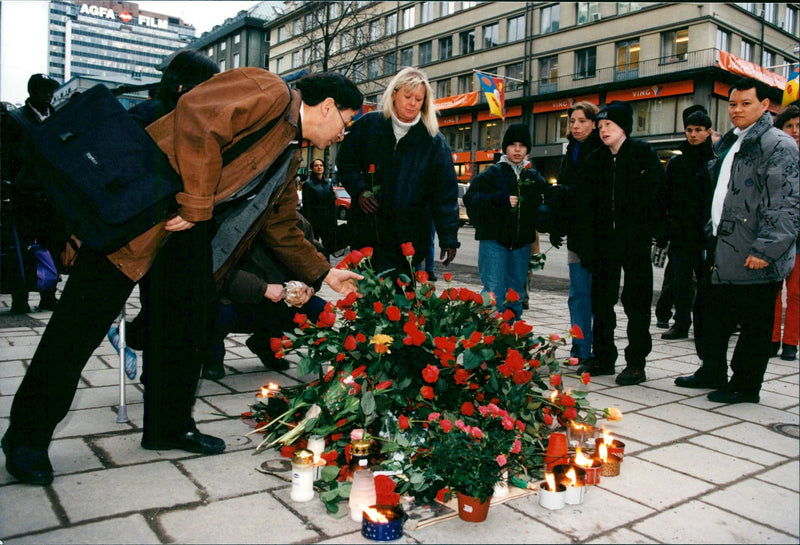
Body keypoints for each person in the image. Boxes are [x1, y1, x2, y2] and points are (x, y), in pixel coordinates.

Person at [2, 68, 364, 486]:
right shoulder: (269, 90)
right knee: (78, 326)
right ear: (328, 107)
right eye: (347, 122)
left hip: (187, 230)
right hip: (139, 214)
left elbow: (280, 226)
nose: (342, 134)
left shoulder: (289, 151)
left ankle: (168, 427)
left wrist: (324, 272)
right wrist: (195, 202)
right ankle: (26, 440)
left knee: (184, 329)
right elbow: (198, 115)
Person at [674, 78, 799, 403]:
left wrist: (767, 249)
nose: (737, 110)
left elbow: (785, 203)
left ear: (765, 106)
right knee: (709, 315)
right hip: (724, 247)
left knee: (755, 325)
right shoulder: (731, 142)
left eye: (746, 103)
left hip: (756, 252)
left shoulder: (779, 145)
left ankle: (746, 386)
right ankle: (712, 370)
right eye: (733, 104)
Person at [108, 50, 221, 379]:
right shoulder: (148, 116)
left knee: (183, 309)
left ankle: (158, 372)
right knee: (162, 308)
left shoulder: (197, 119)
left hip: (190, 228)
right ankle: (155, 377)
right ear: (186, 87)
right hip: (154, 227)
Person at [574, 101, 665, 386]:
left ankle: (636, 363)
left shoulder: (642, 154)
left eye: (608, 125)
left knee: (636, 303)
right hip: (603, 244)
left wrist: (658, 234)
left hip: (634, 241)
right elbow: (584, 205)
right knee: (602, 302)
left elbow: (659, 197)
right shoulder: (595, 159)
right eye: (600, 127)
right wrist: (586, 242)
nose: (603, 131)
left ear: (623, 127)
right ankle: (604, 357)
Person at [337, 66, 459, 275]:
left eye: (418, 99)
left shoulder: (433, 141)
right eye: (408, 96)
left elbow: (445, 193)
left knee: (402, 301)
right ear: (394, 94)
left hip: (408, 240)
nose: (412, 103)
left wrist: (449, 238)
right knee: (365, 299)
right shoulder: (369, 125)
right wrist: (360, 191)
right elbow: (346, 162)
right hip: (368, 232)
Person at [204, 215, 327, 380]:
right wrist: (262, 288)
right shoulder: (232, 218)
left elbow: (316, 256)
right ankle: (212, 357)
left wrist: (309, 285)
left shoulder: (295, 220)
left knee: (321, 312)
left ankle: (265, 344)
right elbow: (217, 271)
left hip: (283, 300)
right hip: (236, 300)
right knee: (215, 312)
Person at [463, 123, 547, 320]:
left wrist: (546, 217)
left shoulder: (533, 176)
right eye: (512, 145)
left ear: (528, 149)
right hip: (494, 242)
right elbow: (471, 200)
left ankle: (512, 342)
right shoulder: (493, 173)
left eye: (522, 145)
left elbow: (545, 204)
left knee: (515, 296)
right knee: (493, 295)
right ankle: (492, 343)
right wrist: (499, 201)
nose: (517, 150)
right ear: (505, 147)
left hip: (520, 245)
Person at [0, 74, 66, 313]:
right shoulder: (14, 120)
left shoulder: (57, 118)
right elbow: (4, 159)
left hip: (51, 197)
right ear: (32, 92)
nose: (48, 95)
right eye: (43, 90)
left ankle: (48, 295)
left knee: (52, 247)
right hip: (23, 197)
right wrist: (6, 192)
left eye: (50, 91)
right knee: (23, 247)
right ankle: (20, 298)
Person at [549, 101, 602, 364]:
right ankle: (580, 347)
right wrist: (557, 225)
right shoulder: (570, 151)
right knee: (578, 294)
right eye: (572, 121)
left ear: (594, 123)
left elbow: (590, 193)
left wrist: (568, 195)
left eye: (582, 120)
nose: (576, 126)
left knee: (597, 296)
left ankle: (596, 348)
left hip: (598, 236)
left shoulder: (601, 149)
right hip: (577, 236)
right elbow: (564, 194)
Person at [660, 105, 715, 342]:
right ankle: (681, 322)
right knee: (681, 281)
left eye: (698, 130)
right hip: (682, 232)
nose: (693, 134)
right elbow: (666, 197)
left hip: (706, 232)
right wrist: (668, 225)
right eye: (689, 130)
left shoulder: (715, 162)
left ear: (708, 131)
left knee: (707, 282)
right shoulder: (676, 163)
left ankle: (705, 323)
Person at [769, 104, 799, 361]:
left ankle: (791, 342)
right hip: (776, 235)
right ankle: (771, 339)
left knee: (797, 293)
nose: (795, 131)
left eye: (799, 126)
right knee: (773, 290)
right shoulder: (774, 156)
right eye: (789, 126)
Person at [301, 158, 337, 254]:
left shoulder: (328, 183)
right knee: (314, 248)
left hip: (327, 221)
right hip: (314, 221)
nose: (319, 167)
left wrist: (334, 221)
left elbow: (332, 204)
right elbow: (307, 207)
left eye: (321, 165)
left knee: (327, 248)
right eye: (316, 165)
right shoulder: (308, 184)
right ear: (312, 168)